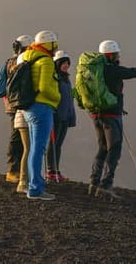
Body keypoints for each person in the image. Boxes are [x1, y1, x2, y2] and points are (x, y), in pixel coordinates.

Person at [89, 40, 136, 200]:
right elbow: (134, 72)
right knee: (114, 149)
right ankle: (105, 186)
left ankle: (94, 183)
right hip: (111, 116)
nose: (118, 56)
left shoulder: (94, 70)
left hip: (97, 115)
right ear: (110, 55)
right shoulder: (113, 70)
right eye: (116, 53)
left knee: (102, 148)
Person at [22, 30, 61, 200]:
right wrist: (57, 98)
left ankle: (33, 185)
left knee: (34, 149)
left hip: (28, 107)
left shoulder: (26, 57)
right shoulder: (45, 61)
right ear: (49, 44)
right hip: (42, 107)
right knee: (39, 149)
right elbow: (45, 87)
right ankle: (36, 189)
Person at [0, 34, 33, 183]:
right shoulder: (27, 62)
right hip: (24, 104)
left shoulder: (7, 63)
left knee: (17, 138)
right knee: (20, 139)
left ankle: (16, 171)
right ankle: (16, 171)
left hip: (11, 105)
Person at [46, 50, 76, 183]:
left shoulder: (65, 79)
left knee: (58, 144)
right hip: (57, 116)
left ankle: (55, 170)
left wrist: (71, 116)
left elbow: (69, 99)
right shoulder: (56, 78)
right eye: (63, 63)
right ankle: (51, 171)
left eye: (67, 63)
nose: (66, 65)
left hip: (64, 116)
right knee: (53, 144)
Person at [13, 108, 30, 193]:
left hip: (23, 119)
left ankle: (26, 181)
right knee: (28, 150)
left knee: (28, 150)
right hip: (25, 120)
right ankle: (22, 183)